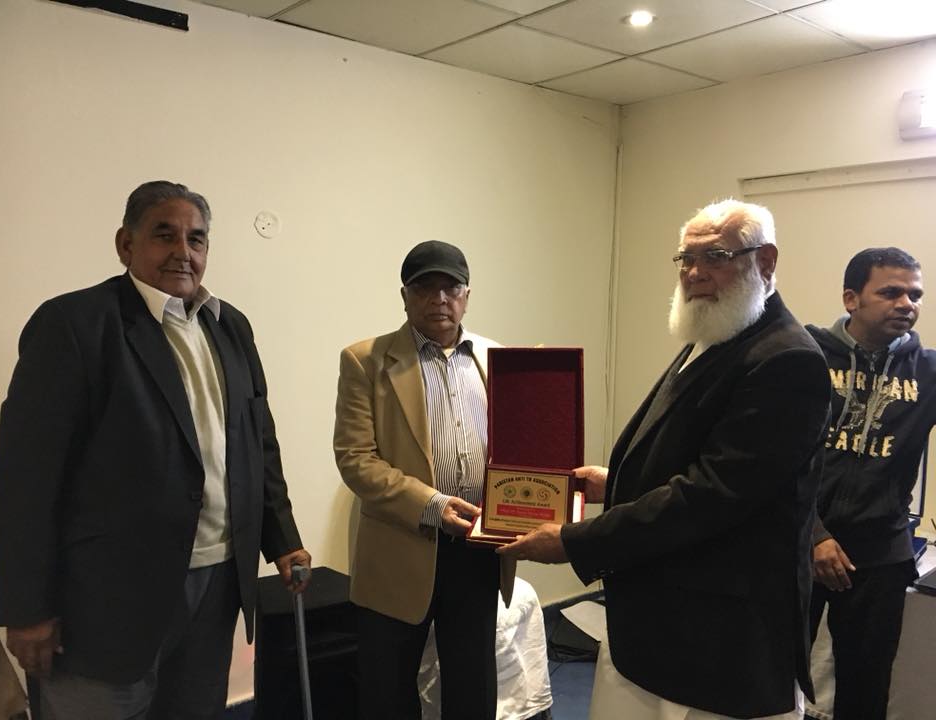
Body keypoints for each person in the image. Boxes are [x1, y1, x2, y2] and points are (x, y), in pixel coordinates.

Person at [499, 200, 831, 719]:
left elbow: (710, 496)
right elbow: (691, 454)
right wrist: (615, 482)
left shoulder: (787, 359)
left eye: (715, 256)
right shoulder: (720, 334)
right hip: (663, 625)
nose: (694, 274)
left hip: (720, 646)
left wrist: (574, 541)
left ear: (765, 261)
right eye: (686, 258)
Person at [0, 181, 310, 720]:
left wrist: (283, 539)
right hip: (105, 599)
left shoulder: (230, 326)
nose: (183, 251)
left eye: (196, 239)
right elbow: (26, 477)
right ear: (126, 244)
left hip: (217, 583)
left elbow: (258, 441)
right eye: (165, 235)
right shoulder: (75, 324)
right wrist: (27, 609)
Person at [333, 240, 513, 720]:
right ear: (404, 296)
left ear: (467, 295)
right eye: (425, 287)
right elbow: (356, 460)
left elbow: (522, 450)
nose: (440, 299)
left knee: (473, 687)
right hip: (400, 547)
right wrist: (433, 505)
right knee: (387, 690)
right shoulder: (366, 361)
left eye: (451, 287)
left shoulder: (499, 358)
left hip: (478, 548)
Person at [806, 247, 931, 720]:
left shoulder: (927, 371)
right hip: (798, 541)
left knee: (867, 688)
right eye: (891, 292)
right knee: (770, 676)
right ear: (851, 298)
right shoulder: (804, 356)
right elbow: (772, 458)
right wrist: (814, 535)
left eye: (915, 295)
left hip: (879, 553)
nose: (906, 304)